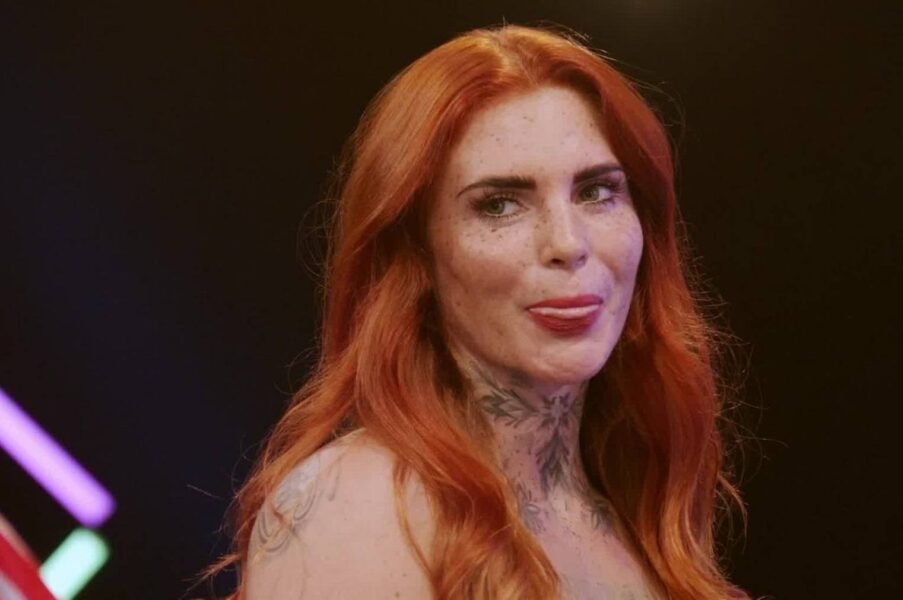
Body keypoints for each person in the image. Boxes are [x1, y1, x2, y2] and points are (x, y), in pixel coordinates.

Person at [204, 24, 748, 600]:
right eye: (500, 204)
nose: (567, 242)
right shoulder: (353, 507)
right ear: (417, 251)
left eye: (596, 191)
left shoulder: (637, 517)